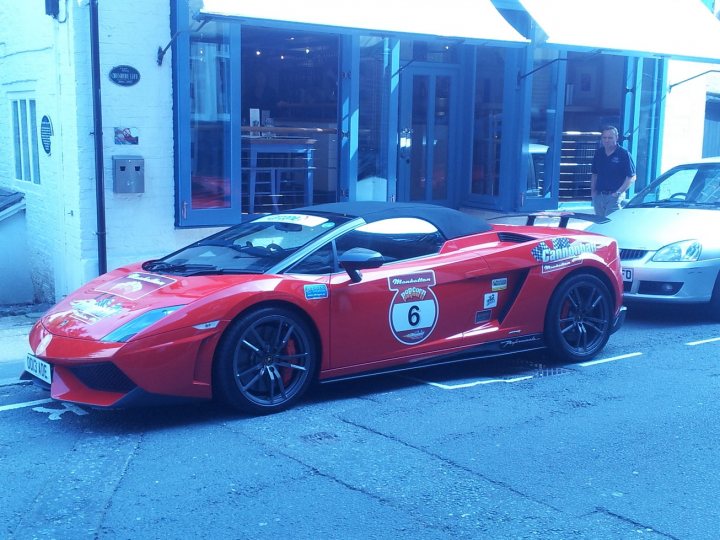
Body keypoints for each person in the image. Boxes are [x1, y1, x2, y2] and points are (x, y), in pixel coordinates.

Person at [590, 126, 636, 217]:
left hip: (614, 197)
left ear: (617, 138)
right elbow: (594, 174)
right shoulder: (599, 153)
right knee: (600, 225)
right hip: (599, 196)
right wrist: (593, 192)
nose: (607, 140)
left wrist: (618, 193)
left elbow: (632, 177)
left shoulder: (624, 154)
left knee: (611, 224)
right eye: (604, 137)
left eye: (610, 137)